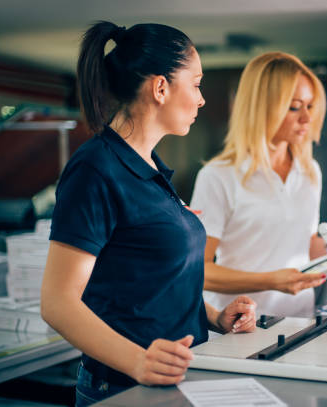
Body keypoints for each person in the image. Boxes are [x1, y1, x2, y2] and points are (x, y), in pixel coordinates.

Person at [40, 21, 256, 406]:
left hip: (176, 379)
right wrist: (138, 361)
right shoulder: (95, 169)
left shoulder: (150, 166)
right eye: (196, 83)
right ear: (160, 88)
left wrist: (214, 317)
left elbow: (151, 284)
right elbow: (58, 303)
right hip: (124, 387)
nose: (202, 98)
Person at [190, 52, 327, 318]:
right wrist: (272, 281)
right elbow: (199, 270)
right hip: (237, 324)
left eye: (310, 106)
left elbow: (306, 246)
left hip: (299, 319)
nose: (306, 119)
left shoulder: (310, 172)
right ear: (262, 107)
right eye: (294, 107)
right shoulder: (218, 176)